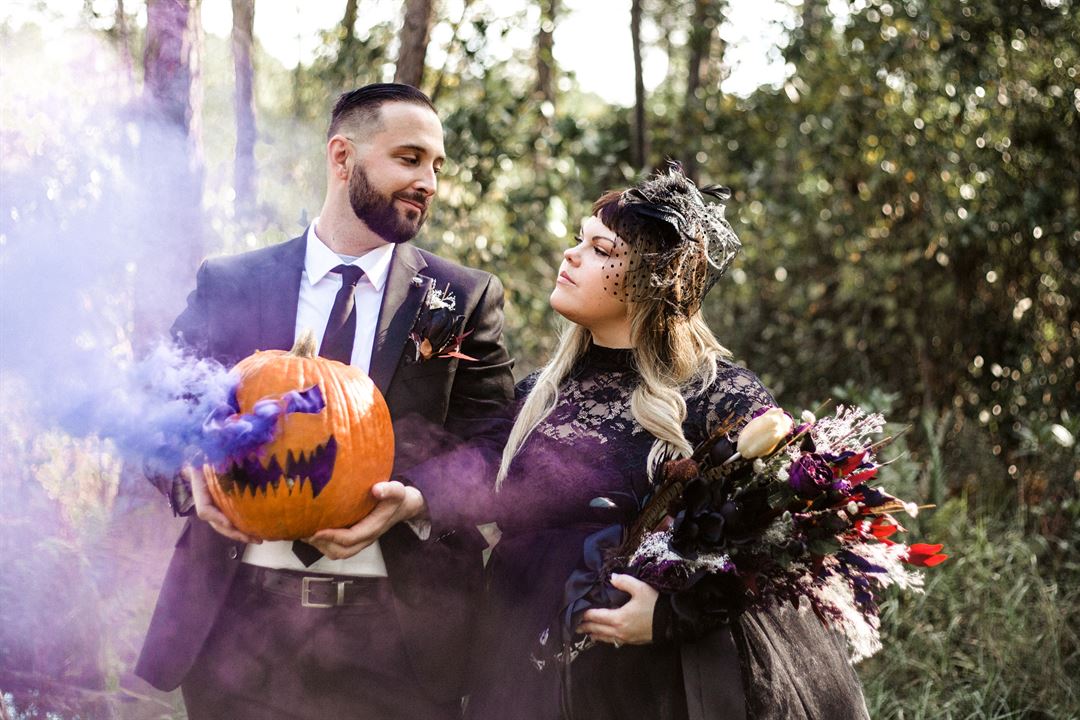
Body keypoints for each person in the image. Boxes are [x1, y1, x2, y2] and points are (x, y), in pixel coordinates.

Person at [406, 164, 869, 719]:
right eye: (579, 240)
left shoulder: (717, 396)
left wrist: (672, 613)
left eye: (601, 249)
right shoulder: (535, 395)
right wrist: (409, 496)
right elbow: (472, 483)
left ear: (653, 280)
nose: (572, 255)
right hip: (516, 670)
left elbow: (786, 540)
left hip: (643, 686)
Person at [135, 83, 514, 720]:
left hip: (399, 644)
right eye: (409, 158)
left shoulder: (464, 298)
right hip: (238, 627)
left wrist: (417, 499)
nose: (428, 182)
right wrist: (193, 472)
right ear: (343, 157)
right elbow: (158, 413)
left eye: (436, 166)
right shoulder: (232, 282)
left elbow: (498, 446)